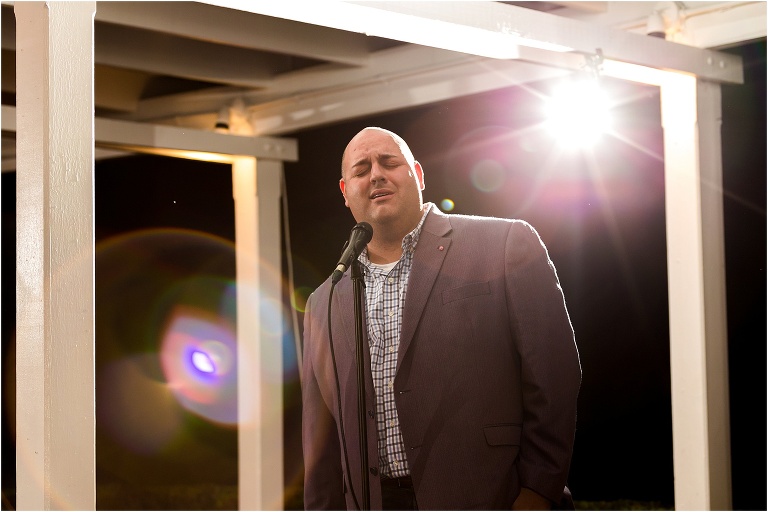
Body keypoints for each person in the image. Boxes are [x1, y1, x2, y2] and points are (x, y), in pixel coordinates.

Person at [302, 127, 581, 510]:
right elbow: (320, 439)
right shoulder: (325, 299)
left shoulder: (505, 244)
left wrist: (537, 493)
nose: (376, 175)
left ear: (417, 174)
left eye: (389, 162)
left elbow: (554, 376)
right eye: (361, 169)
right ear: (345, 191)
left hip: (490, 498)